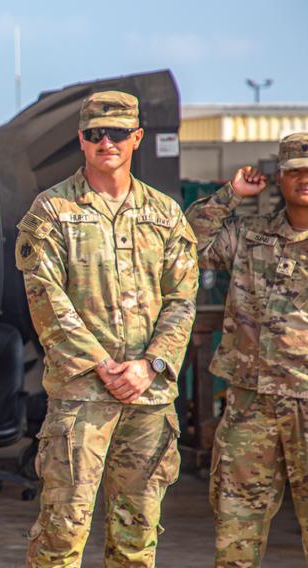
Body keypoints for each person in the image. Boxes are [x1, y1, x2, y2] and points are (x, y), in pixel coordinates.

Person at [15, 91, 199, 567]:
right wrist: (103, 365)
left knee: (137, 539)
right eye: (95, 134)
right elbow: (47, 301)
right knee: (60, 535)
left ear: (136, 138)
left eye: (117, 133)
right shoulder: (52, 211)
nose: (106, 142)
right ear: (81, 140)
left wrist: (151, 364)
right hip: (81, 402)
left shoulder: (165, 214)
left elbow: (182, 300)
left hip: (149, 399)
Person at [185, 133, 308, 567]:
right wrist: (232, 194)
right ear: (280, 178)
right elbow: (189, 243)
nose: (305, 179)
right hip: (251, 404)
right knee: (237, 530)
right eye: (295, 171)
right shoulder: (250, 237)